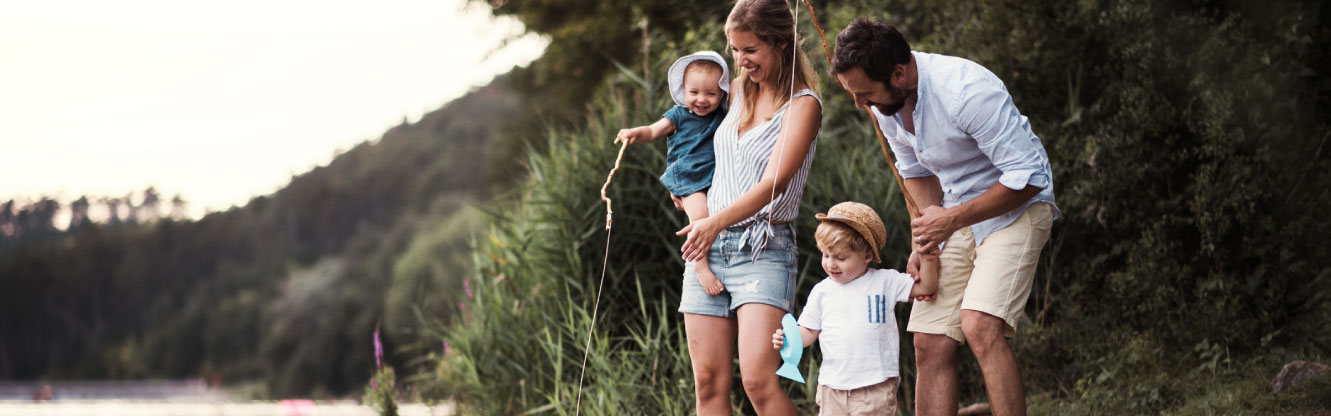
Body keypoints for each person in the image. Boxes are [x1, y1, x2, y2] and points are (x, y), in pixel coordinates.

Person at [830, 18, 1060, 416]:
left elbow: (1029, 178)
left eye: (864, 93)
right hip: (956, 214)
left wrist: (950, 221)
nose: (859, 104)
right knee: (929, 339)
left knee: (978, 326)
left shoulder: (967, 91)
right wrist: (927, 241)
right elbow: (916, 174)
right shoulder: (887, 104)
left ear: (898, 73)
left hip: (1018, 208)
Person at [672, 0, 822, 414]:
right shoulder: (734, 92)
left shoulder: (803, 106)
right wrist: (683, 181)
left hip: (765, 249)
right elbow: (690, 133)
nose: (740, 60)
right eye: (735, 50)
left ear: (780, 44)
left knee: (759, 382)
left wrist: (714, 222)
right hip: (708, 249)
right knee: (708, 384)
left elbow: (773, 183)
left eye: (750, 50)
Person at [771, 201, 938, 416]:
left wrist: (929, 259)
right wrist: (790, 339)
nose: (831, 264)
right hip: (832, 389)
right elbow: (809, 330)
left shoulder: (885, 281)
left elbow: (927, 286)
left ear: (867, 256)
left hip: (873, 388)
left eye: (841, 258)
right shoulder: (822, 291)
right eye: (826, 255)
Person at [617, 51, 731, 295]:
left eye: (711, 93)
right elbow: (653, 130)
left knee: (719, 214)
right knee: (700, 216)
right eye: (694, 92)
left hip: (714, 176)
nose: (702, 99)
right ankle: (700, 267)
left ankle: (722, 257)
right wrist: (635, 133)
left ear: (722, 92)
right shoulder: (678, 114)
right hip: (688, 176)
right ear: (683, 90)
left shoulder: (723, 116)